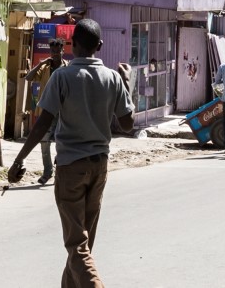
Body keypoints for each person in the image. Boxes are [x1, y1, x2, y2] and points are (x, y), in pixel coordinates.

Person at [7, 19, 134, 288]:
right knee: (83, 242)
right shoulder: (112, 77)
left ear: (71, 45)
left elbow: (42, 123)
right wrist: (126, 84)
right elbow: (127, 124)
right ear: (99, 46)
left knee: (77, 243)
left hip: (70, 167)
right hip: (99, 166)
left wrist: (19, 160)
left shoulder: (62, 77)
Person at [24, 39, 65, 183]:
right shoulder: (45, 68)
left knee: (62, 143)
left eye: (57, 52)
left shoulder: (67, 68)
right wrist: (41, 63)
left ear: (62, 52)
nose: (54, 54)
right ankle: (47, 172)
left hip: (63, 112)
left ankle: (61, 170)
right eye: (52, 51)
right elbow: (28, 78)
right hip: (47, 110)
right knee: (44, 141)